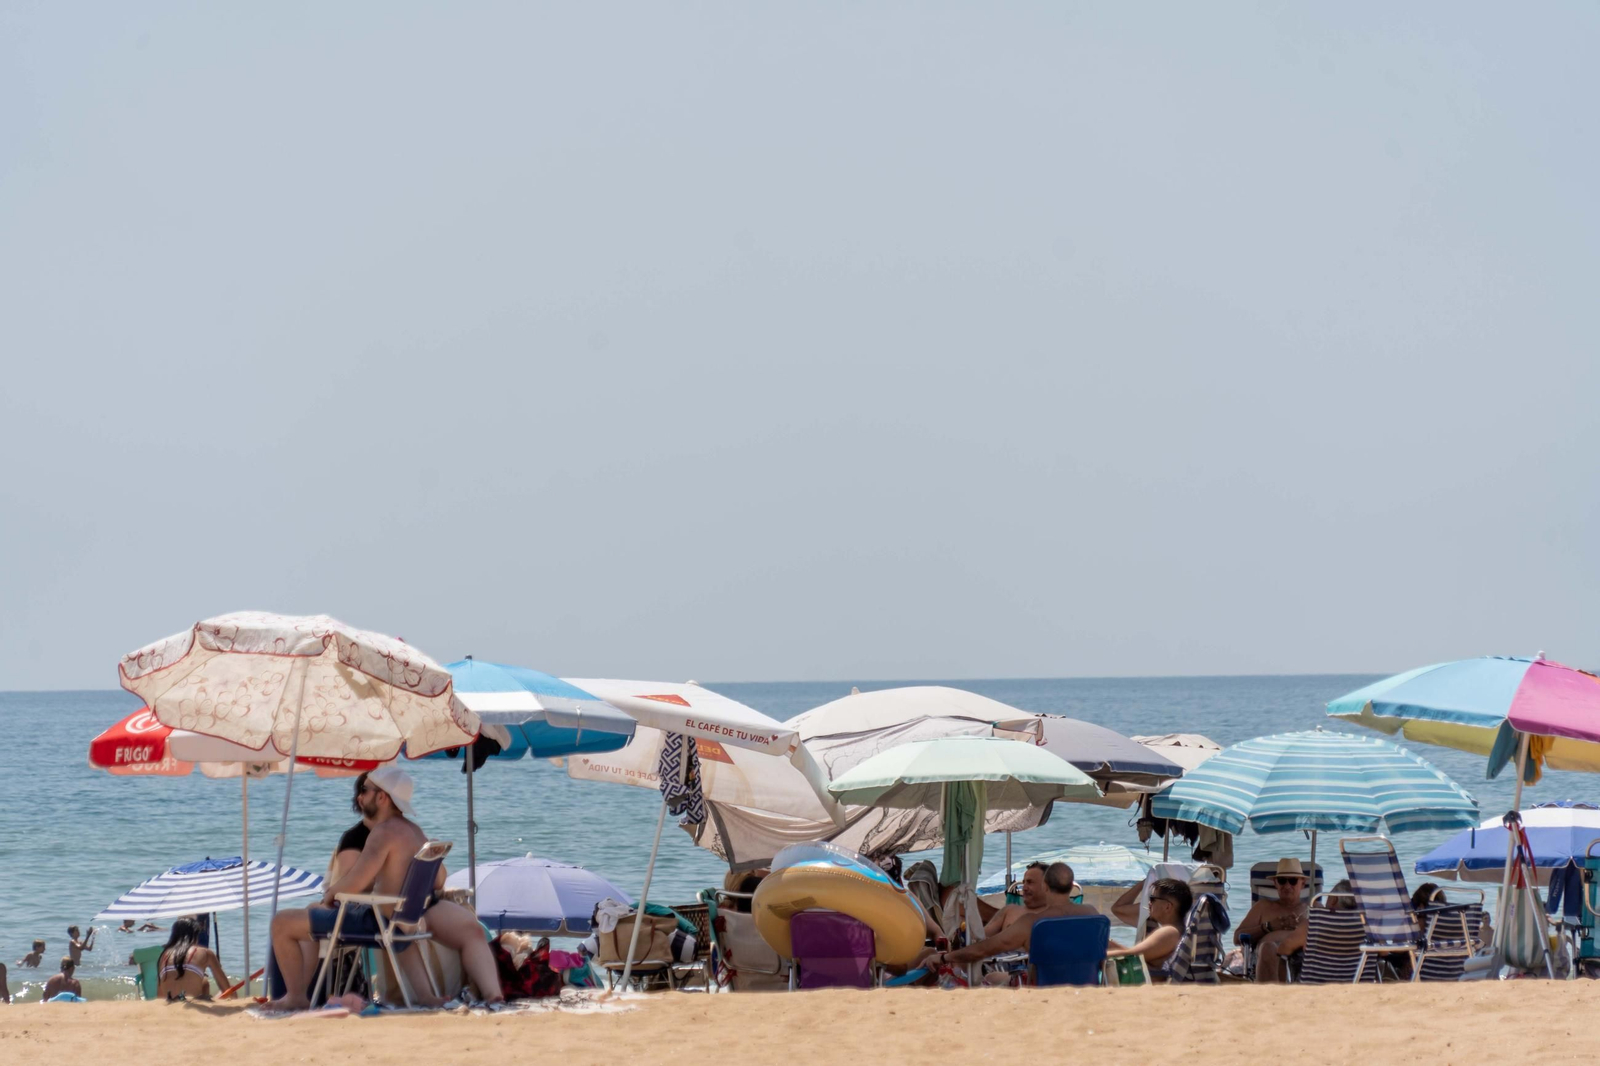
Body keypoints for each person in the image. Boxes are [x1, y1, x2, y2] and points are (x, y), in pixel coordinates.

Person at [268, 768, 502, 1010]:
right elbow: (438, 882)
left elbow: (354, 883)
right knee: (399, 922)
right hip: (406, 919)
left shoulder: (382, 833)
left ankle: (295, 997)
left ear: (382, 797)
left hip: (378, 921)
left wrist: (329, 895)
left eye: (365, 791)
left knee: (282, 922)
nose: (359, 797)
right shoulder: (415, 832)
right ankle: (433, 996)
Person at [919, 863, 1098, 973]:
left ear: (1046, 886)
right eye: (1023, 882)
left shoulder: (1031, 923)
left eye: (1030, 883)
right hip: (1080, 981)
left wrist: (944, 958)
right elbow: (980, 941)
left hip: (1027, 979)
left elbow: (984, 949)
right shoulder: (1089, 914)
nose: (1024, 888)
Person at [1235, 857, 1310, 983]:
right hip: (1267, 957)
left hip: (1302, 957)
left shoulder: (1312, 908)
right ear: (1275, 883)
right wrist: (1268, 927)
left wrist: (1303, 928)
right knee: (1268, 948)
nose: (1287, 886)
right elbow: (1237, 937)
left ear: (1302, 883)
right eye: (1282, 881)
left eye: (1292, 881)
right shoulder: (1263, 907)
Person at [1107, 878, 1192, 976]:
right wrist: (1110, 944)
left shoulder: (1170, 931)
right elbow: (1136, 954)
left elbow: (1133, 957)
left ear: (1167, 907)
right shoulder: (1178, 930)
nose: (1149, 903)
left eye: (1152, 899)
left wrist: (1095, 956)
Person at [156, 917, 230, 1000]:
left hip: (169, 1006)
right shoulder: (205, 952)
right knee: (220, 989)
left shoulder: (164, 956)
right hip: (193, 1006)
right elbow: (227, 991)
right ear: (194, 935)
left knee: (204, 983)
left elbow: (160, 997)